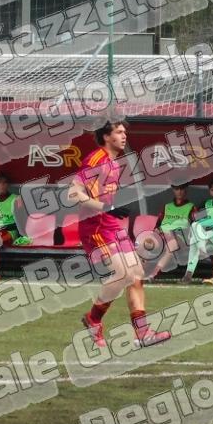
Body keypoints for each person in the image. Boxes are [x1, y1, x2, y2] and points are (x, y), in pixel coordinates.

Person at [69, 121, 170, 349]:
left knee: (136, 274)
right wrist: (106, 208)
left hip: (111, 225)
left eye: (125, 131)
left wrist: (110, 210)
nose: (124, 135)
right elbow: (73, 193)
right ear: (107, 136)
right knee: (123, 273)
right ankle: (93, 319)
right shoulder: (96, 159)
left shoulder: (115, 163)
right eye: (119, 132)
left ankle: (142, 333)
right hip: (95, 228)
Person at [148, 183, 197, 280]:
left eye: (181, 189)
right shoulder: (167, 206)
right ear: (173, 190)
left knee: (171, 245)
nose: (179, 191)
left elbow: (194, 226)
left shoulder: (191, 207)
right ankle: (138, 272)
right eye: (176, 189)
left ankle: (154, 273)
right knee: (146, 244)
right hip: (162, 235)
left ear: (185, 190)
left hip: (179, 237)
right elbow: (158, 225)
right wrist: (156, 231)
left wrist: (174, 233)